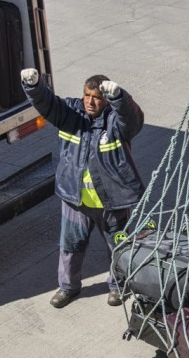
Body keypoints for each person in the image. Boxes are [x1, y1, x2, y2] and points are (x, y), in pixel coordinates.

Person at [21, 68, 145, 308]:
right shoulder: (70, 114)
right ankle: (68, 287)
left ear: (106, 99)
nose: (90, 101)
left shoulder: (115, 121)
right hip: (75, 199)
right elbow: (47, 103)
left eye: (97, 97)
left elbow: (133, 120)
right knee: (70, 246)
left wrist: (121, 97)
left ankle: (118, 286)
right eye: (87, 95)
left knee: (118, 246)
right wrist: (34, 86)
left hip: (111, 201)